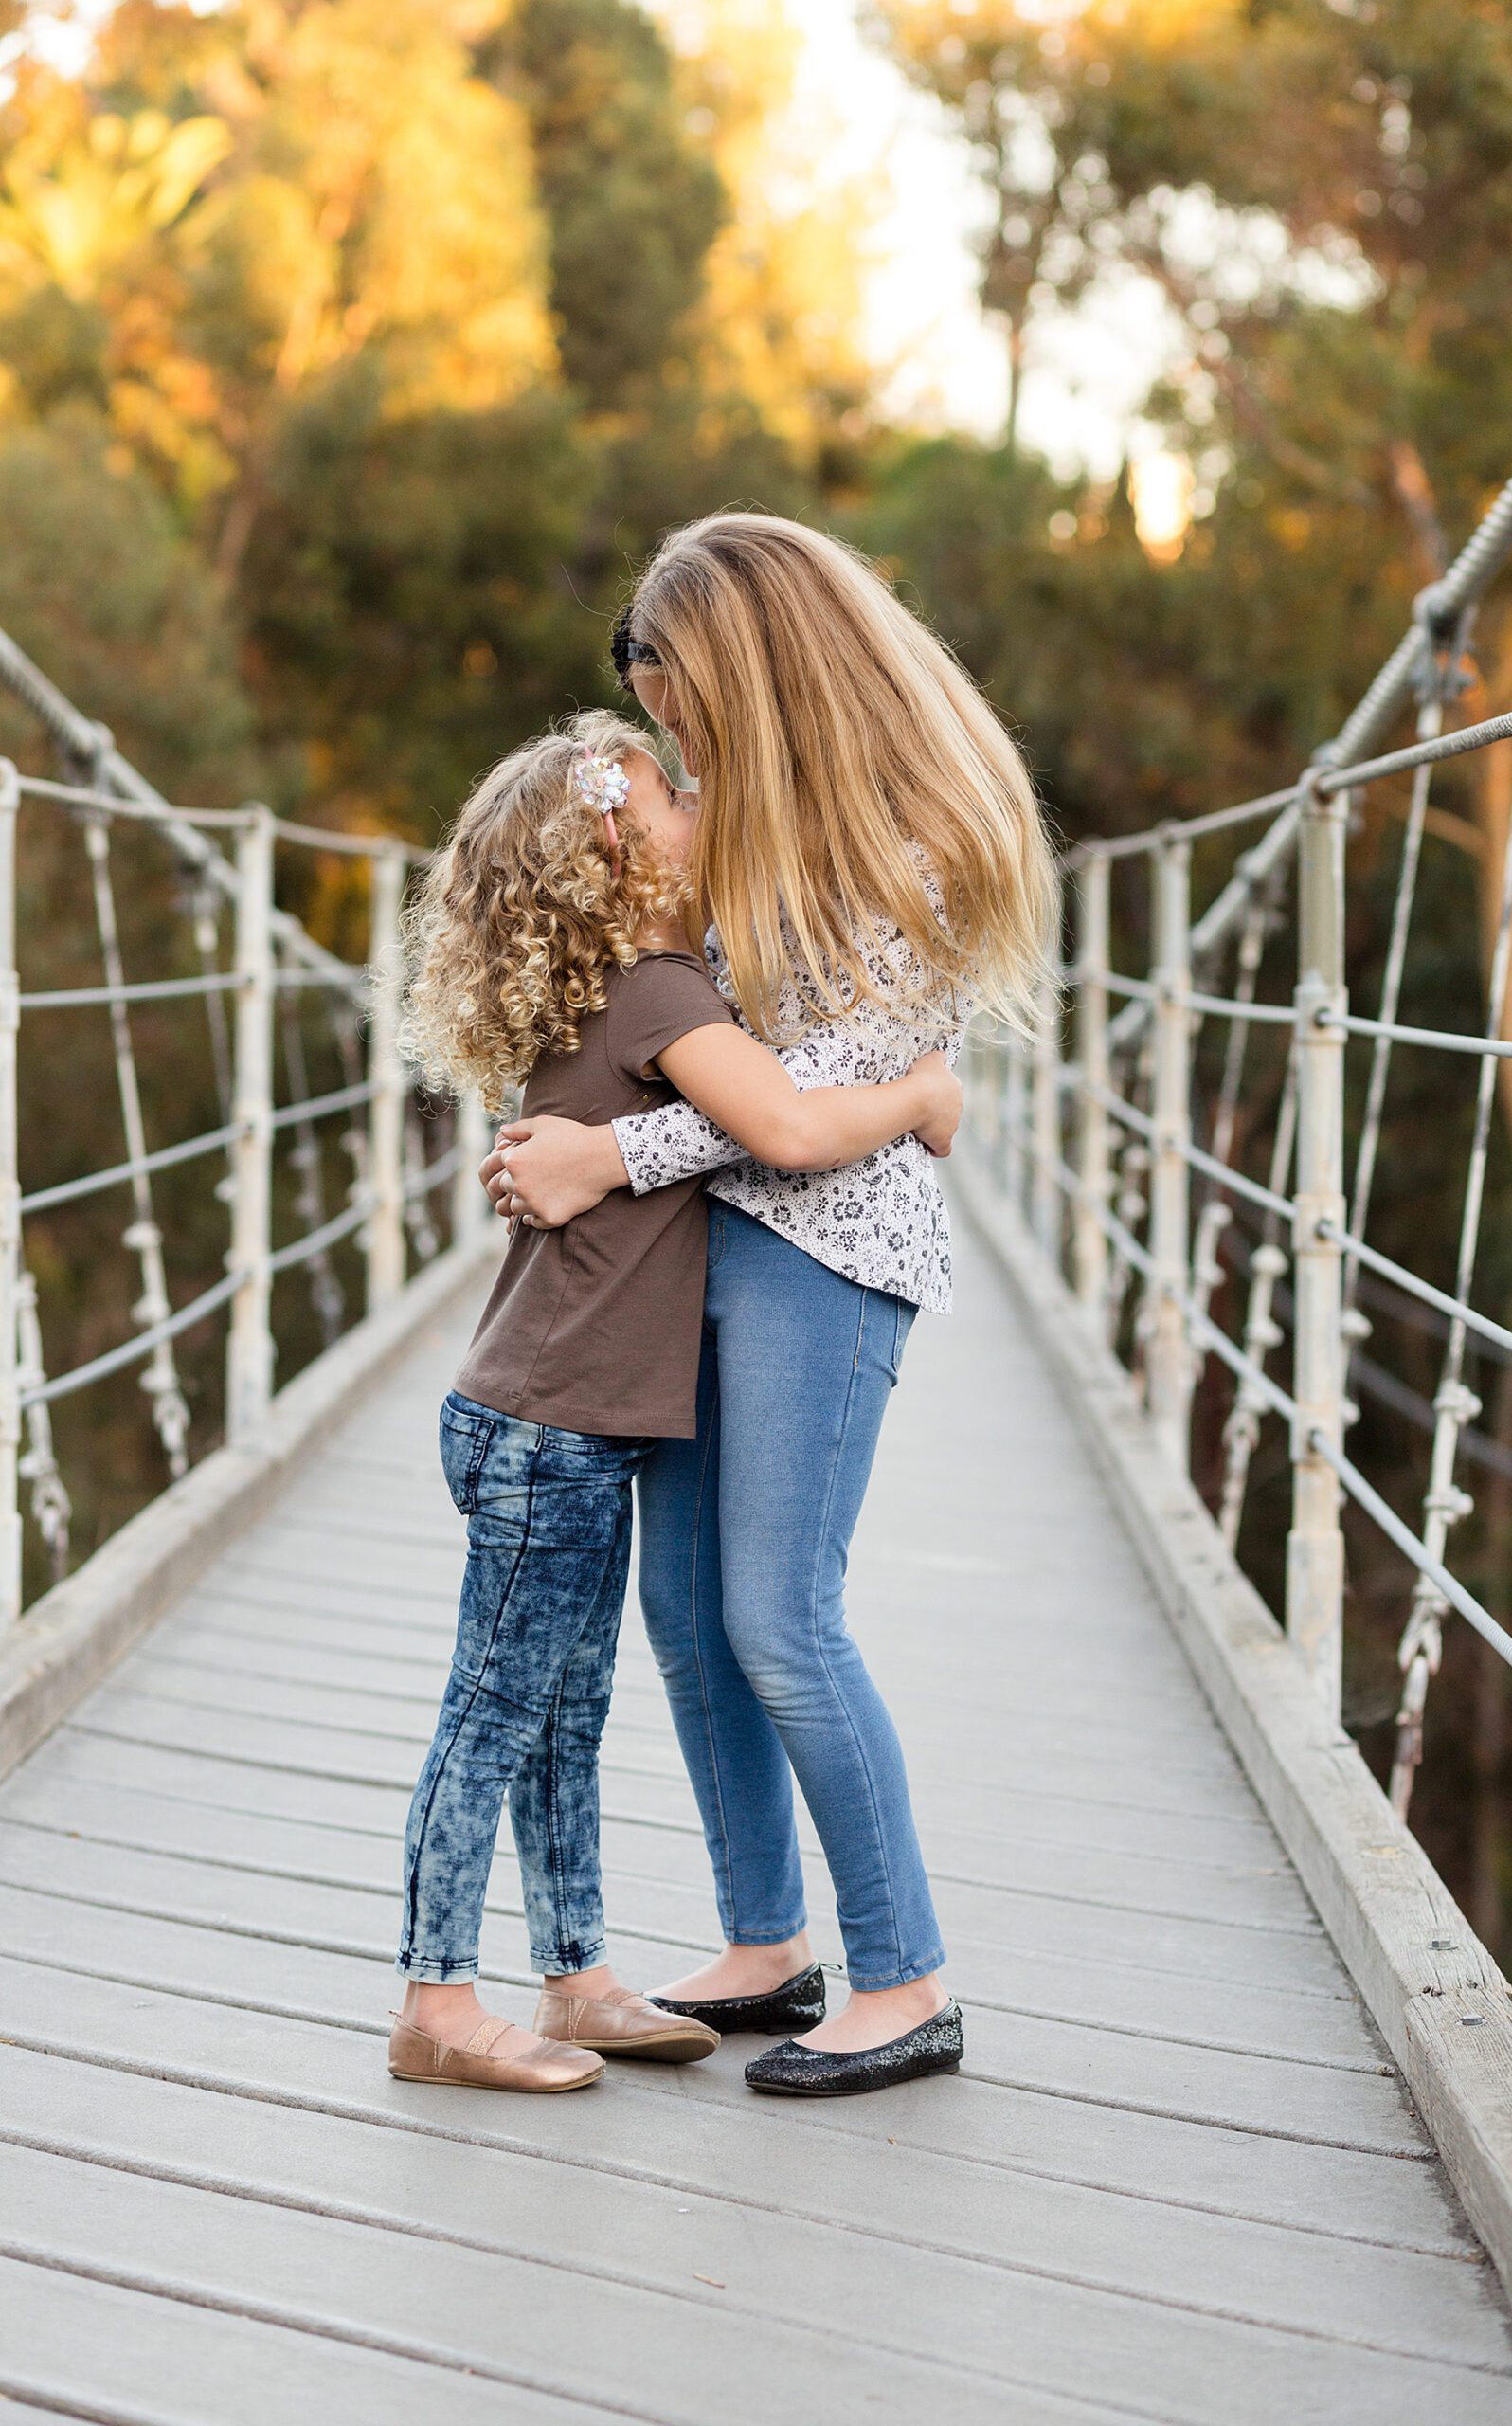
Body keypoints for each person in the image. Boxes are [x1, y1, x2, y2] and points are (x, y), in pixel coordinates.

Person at [488, 516, 1053, 2096]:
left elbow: (817, 1097)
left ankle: (908, 1973)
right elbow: (680, 1024)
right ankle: (766, 1940)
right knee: (686, 1616)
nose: (665, 730)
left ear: (745, 664)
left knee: (779, 1620)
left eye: (672, 693)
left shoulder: (914, 835)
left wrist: (611, 1150)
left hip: (831, 1252)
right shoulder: (721, 814)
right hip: (700, 1246)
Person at [388, 707, 963, 2094]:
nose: (700, 803)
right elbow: (786, 1124)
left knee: (562, 1711)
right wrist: (925, 1096)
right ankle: (438, 2000)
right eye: (667, 794)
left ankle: (576, 1975)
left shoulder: (614, 988)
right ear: (615, 849)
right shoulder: (659, 995)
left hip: (551, 1414)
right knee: (504, 1713)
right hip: (555, 1423)